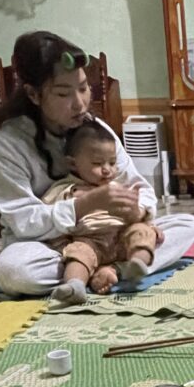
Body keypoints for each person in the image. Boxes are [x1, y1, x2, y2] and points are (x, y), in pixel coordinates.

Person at [0, 31, 194, 297]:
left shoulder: (96, 129)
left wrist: (137, 210)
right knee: (14, 272)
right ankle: (101, 268)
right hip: (49, 244)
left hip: (113, 234)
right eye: (64, 93)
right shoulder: (6, 144)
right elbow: (23, 222)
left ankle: (98, 272)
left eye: (84, 87)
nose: (79, 103)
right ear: (33, 94)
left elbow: (140, 189)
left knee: (187, 225)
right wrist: (85, 204)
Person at [41, 121, 159, 303]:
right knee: (78, 256)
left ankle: (136, 264)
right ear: (72, 163)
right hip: (90, 241)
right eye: (97, 163)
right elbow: (49, 218)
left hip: (122, 237)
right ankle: (75, 286)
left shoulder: (118, 186)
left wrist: (143, 219)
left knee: (144, 232)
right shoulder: (66, 189)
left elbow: (140, 212)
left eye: (112, 163)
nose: (107, 169)